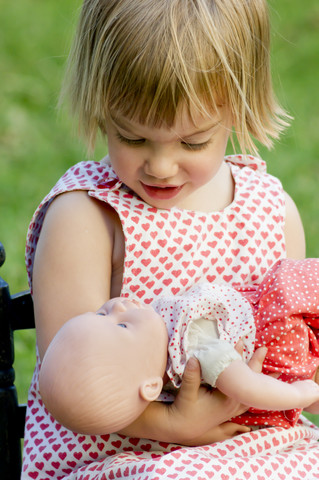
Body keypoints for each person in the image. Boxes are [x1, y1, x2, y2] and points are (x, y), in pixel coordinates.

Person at [21, 1, 319, 479]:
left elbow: (290, 345)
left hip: (262, 446)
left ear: (237, 108)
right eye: (132, 138)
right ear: (100, 109)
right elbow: (70, 387)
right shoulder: (89, 217)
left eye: (193, 142)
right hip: (123, 455)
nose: (160, 166)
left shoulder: (271, 210)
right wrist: (175, 425)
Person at [38, 259, 319, 436]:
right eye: (121, 326)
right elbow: (242, 384)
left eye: (101, 314)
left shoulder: (162, 381)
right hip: (275, 320)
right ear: (149, 387)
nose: (117, 305)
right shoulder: (191, 344)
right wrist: (297, 394)